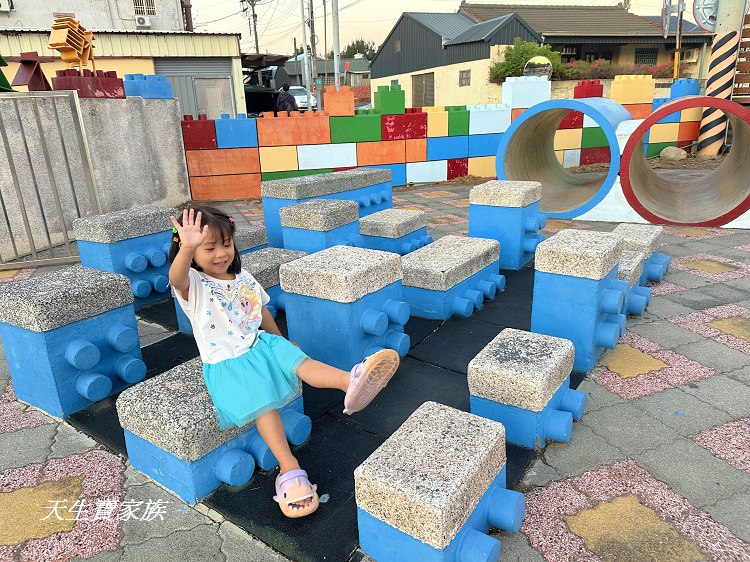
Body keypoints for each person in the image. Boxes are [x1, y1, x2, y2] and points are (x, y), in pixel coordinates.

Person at [168, 206, 399, 519]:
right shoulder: (194, 286)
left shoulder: (243, 277)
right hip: (231, 363)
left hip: (261, 343)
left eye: (226, 244)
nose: (221, 253)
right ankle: (289, 467)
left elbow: (261, 311)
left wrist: (280, 339)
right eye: (209, 248)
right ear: (193, 252)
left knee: (298, 359)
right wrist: (187, 248)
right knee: (263, 405)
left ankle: (351, 380)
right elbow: (176, 276)